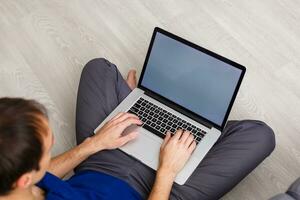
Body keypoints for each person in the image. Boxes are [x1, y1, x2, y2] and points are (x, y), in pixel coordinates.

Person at [0, 58, 276, 200]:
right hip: (159, 190)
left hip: (99, 164)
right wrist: (167, 171)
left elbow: (42, 176)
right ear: (24, 179)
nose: (54, 142)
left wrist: (94, 144)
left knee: (99, 68)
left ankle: (153, 111)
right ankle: (197, 138)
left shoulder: (13, 185)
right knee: (260, 136)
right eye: (49, 146)